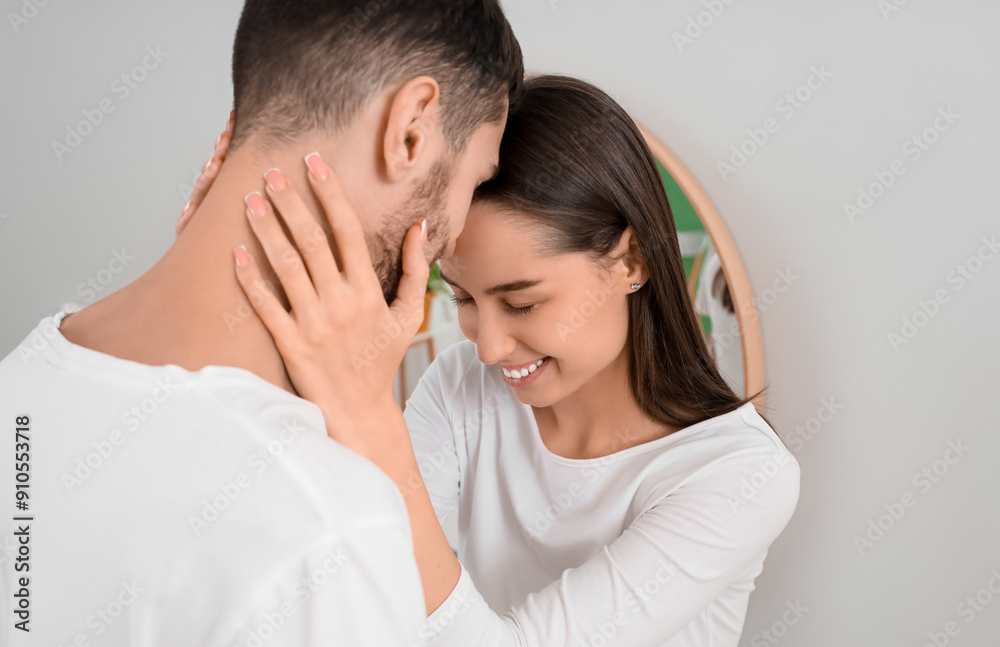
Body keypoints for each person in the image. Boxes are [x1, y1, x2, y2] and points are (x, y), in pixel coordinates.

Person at [0, 0, 522, 644]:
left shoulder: (20, 387)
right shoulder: (329, 526)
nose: (453, 240)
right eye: (475, 179)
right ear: (411, 132)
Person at [228, 75, 802, 646]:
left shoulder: (740, 474)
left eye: (522, 303)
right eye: (464, 300)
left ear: (632, 261)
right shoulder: (462, 389)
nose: (488, 347)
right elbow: (346, 575)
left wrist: (364, 406)